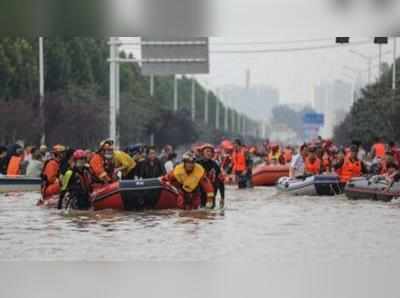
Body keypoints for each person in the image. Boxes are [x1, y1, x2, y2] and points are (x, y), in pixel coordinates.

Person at [197, 144, 225, 208]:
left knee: (211, 215)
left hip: (212, 195)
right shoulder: (197, 164)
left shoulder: (215, 165)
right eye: (207, 151)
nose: (209, 153)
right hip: (199, 194)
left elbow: (221, 182)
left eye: (211, 152)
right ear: (202, 152)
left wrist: (222, 197)